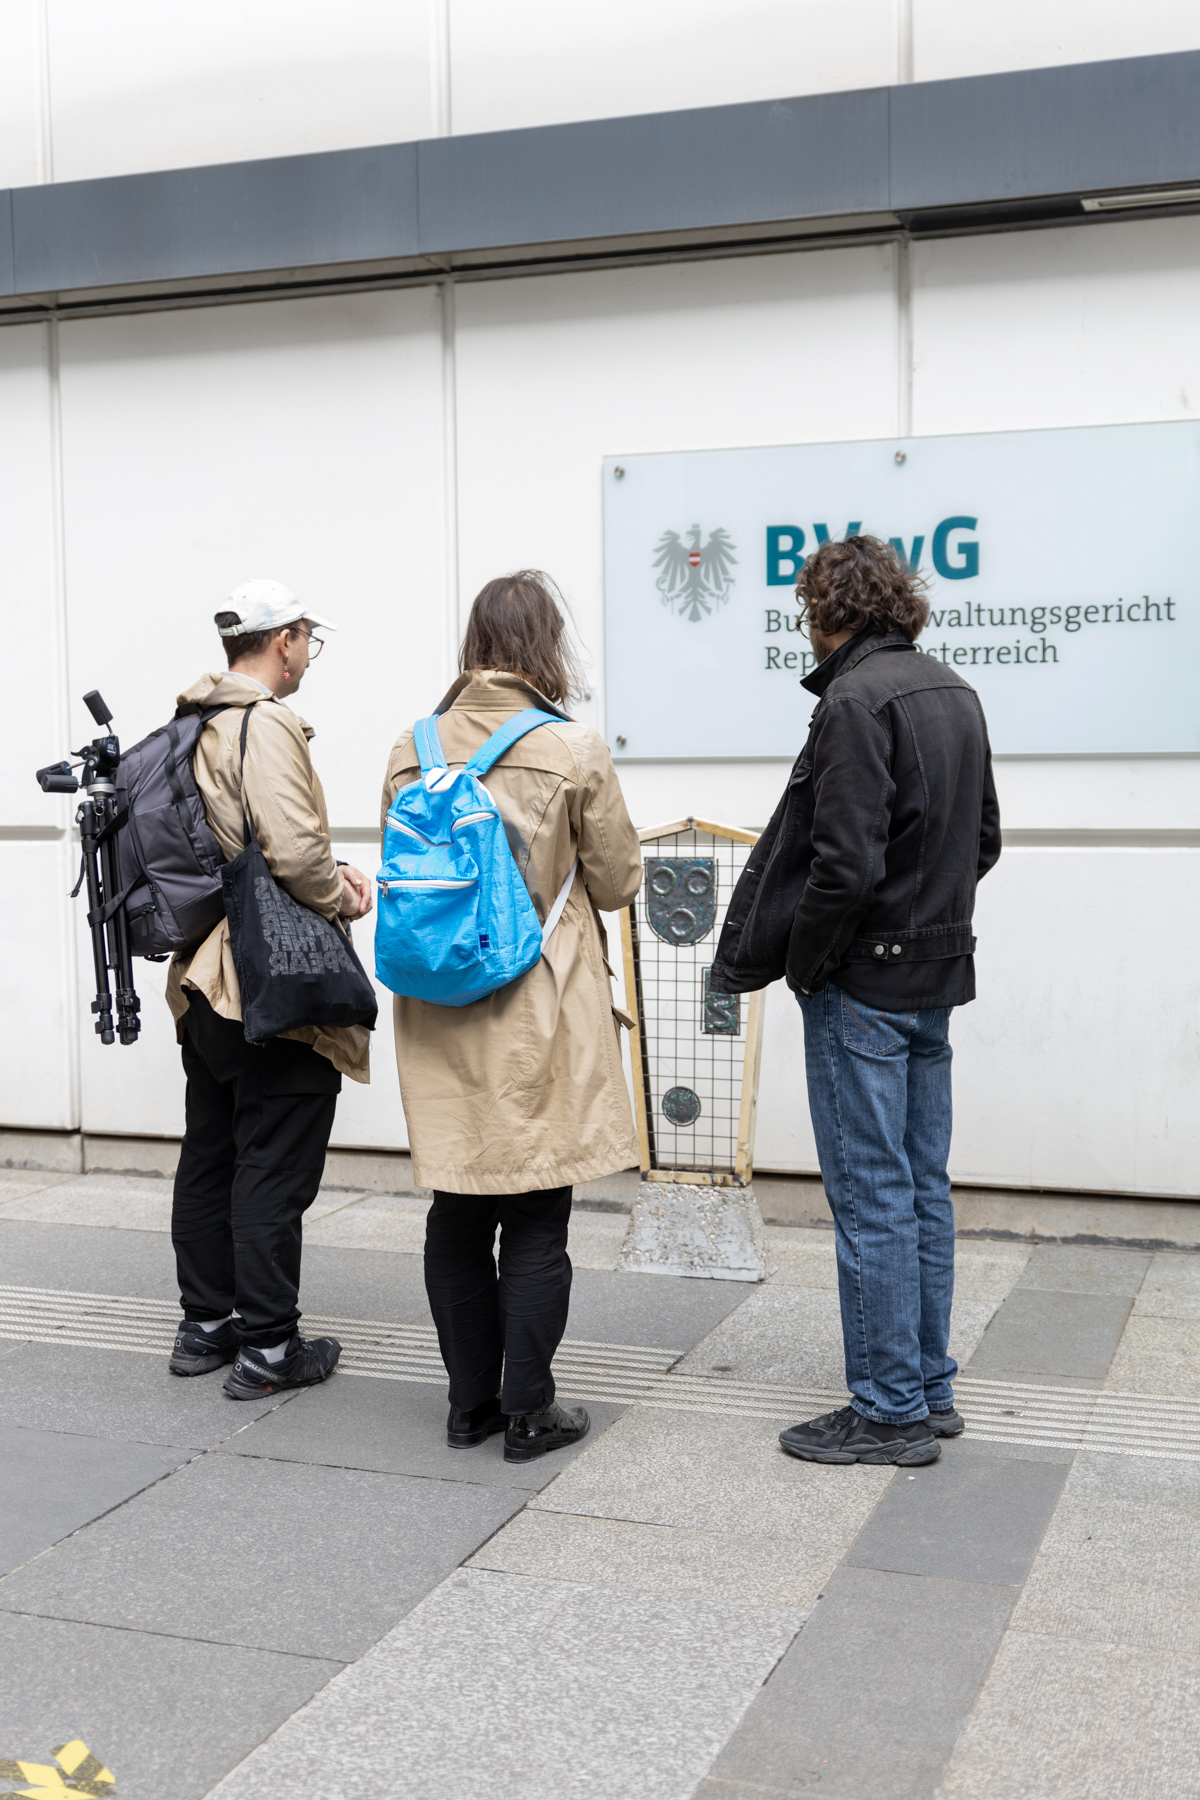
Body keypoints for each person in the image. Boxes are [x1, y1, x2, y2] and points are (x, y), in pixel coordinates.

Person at [710, 536, 1001, 1467]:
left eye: (806, 611)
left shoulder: (852, 700)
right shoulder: (954, 688)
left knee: (873, 1196)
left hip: (864, 983)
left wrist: (807, 966)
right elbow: (983, 840)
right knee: (920, 1189)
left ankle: (886, 1411)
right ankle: (927, 1388)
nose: (807, 628)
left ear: (828, 613)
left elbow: (842, 864)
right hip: (934, 976)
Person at [380, 571, 642, 1462]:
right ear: (546, 647)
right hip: (536, 1004)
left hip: (436, 1005)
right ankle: (530, 1412)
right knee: (535, 1212)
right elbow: (615, 881)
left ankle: (468, 1407)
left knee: (456, 1209)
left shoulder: (411, 748)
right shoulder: (571, 748)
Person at [166, 579, 373, 1399]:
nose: (306, 656)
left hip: (202, 976)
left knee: (212, 1151)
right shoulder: (264, 722)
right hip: (267, 981)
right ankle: (269, 1348)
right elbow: (292, 852)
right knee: (273, 1159)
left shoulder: (194, 720)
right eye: (306, 641)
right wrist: (345, 893)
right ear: (283, 639)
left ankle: (204, 1326)